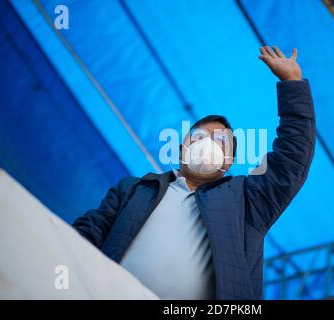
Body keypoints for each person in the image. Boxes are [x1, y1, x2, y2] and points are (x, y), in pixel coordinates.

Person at [72, 46, 316, 300]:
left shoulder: (247, 202)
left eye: (221, 141)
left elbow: (291, 161)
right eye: (199, 136)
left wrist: (292, 83)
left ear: (229, 162)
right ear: (181, 149)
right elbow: (85, 235)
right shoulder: (133, 189)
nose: (208, 143)